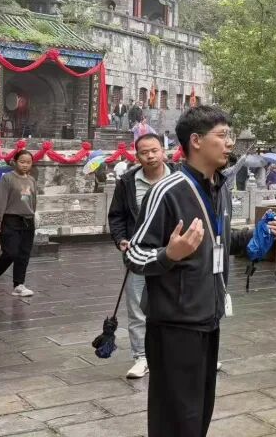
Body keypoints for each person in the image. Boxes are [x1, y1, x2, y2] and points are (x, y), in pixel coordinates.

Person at [124, 105, 276, 437]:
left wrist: (256, 235)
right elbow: (135, 254)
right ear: (196, 141)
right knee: (175, 419)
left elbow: (218, 241)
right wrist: (169, 254)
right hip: (174, 324)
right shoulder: (167, 191)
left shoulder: (219, 187)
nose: (230, 143)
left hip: (208, 318)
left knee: (199, 414)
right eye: (222, 135)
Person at [107, 133, 173, 379]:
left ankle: (176, 353)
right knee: (137, 306)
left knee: (176, 302)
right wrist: (121, 240)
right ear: (137, 156)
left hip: (173, 251)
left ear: (163, 151)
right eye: (144, 152)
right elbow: (117, 215)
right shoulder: (127, 182)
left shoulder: (178, 177)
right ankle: (141, 356)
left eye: (154, 150)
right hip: (138, 253)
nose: (151, 156)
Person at [0, 150, 38, 297]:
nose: (25, 165)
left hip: (27, 220)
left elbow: (33, 200)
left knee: (23, 254)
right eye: (22, 162)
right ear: (15, 162)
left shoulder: (32, 180)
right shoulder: (7, 178)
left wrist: (34, 214)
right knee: (10, 252)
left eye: (28, 162)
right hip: (10, 219)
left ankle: (18, 285)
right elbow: (1, 200)